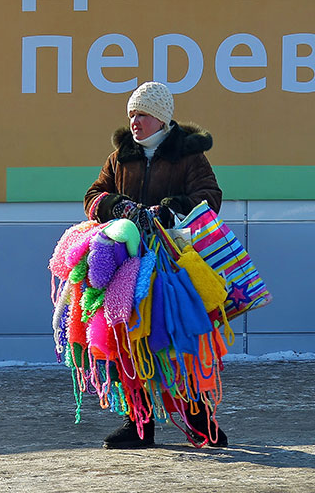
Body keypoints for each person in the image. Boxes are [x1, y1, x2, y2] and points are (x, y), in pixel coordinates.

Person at [83, 81, 226, 449]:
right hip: (127, 267)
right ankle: (138, 423)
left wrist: (168, 209)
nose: (135, 121)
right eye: (131, 114)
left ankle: (198, 419)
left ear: (161, 118)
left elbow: (209, 197)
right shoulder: (120, 157)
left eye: (142, 114)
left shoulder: (188, 155)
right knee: (129, 344)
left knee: (177, 341)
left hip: (172, 266)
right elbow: (92, 196)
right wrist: (116, 205)